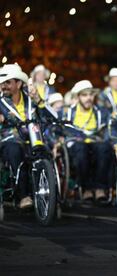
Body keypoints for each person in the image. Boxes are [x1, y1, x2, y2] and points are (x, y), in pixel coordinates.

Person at [0, 64, 55, 208]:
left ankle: (52, 194)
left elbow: (51, 118)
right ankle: (24, 196)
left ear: (18, 83)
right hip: (10, 140)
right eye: (2, 83)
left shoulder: (31, 99)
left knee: (45, 153)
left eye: (7, 82)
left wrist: (39, 101)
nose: (3, 86)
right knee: (15, 151)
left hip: (34, 138)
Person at [64, 80, 114, 202]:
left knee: (105, 147)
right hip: (77, 143)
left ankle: (99, 188)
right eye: (84, 95)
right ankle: (86, 188)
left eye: (91, 95)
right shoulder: (68, 112)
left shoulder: (102, 112)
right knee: (81, 149)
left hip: (96, 141)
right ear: (78, 97)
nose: (88, 98)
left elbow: (109, 129)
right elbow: (60, 129)